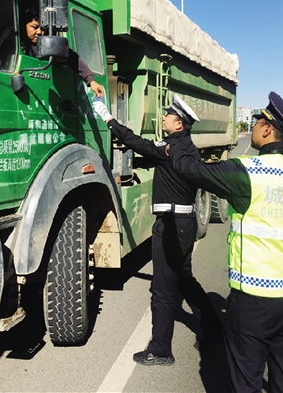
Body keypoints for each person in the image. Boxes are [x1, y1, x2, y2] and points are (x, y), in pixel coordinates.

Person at [167, 92, 283, 393]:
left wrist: (177, 138)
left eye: (257, 121)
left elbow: (190, 170)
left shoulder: (248, 172)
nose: (253, 126)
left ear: (268, 129)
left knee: (246, 380)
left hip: (254, 299)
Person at [93, 94, 224, 366]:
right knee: (184, 279)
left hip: (171, 226)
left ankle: (161, 349)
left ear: (178, 125)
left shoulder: (171, 148)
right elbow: (151, 156)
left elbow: (137, 143)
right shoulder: (183, 147)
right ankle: (214, 330)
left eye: (168, 116)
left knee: (163, 290)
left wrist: (108, 117)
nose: (163, 117)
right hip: (183, 224)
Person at [22, 7, 104, 96]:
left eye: (42, 29)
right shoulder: (11, 43)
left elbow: (73, 58)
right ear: (23, 26)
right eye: (35, 27)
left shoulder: (49, 45)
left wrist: (91, 81)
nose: (39, 32)